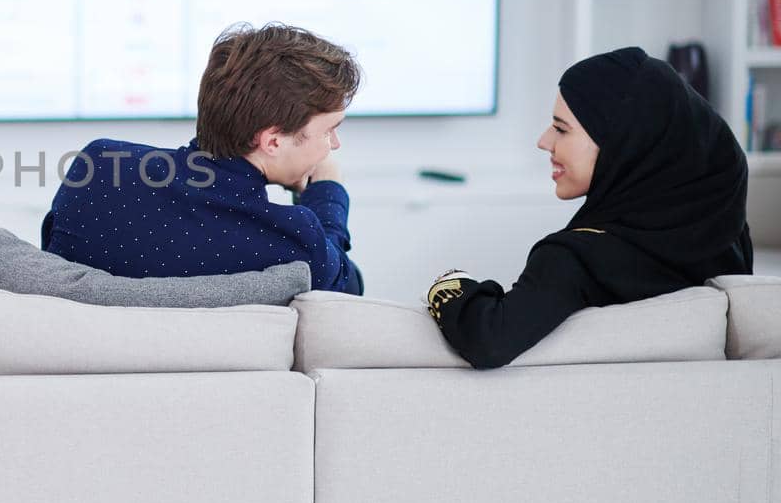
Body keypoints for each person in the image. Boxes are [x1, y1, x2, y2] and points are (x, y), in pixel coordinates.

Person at [427, 46, 753, 369]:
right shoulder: (726, 238)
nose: (544, 141)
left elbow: (489, 341)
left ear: (622, 143)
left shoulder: (576, 260)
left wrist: (449, 285)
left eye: (561, 129)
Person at [41, 23, 363, 293]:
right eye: (328, 131)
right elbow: (348, 285)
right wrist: (326, 189)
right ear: (273, 141)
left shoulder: (97, 166)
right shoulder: (293, 240)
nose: (333, 145)